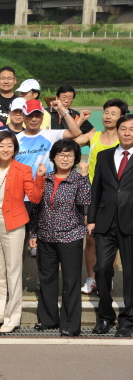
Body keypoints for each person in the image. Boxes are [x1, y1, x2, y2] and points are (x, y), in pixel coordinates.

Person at [0, 132, 45, 333]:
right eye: (1, 146)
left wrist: (40, 178)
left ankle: (13, 317)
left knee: (13, 270)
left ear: (15, 148)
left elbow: (34, 198)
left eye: (9, 145)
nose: (5, 149)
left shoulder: (23, 169)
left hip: (15, 223)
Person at [30, 140, 90, 337]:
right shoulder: (45, 177)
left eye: (70, 155)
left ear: (75, 159)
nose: (65, 158)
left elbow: (84, 202)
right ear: (54, 157)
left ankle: (70, 325)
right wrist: (34, 233)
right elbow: (37, 206)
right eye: (61, 154)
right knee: (46, 279)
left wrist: (85, 176)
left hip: (70, 236)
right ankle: (48, 320)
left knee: (71, 281)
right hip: (46, 236)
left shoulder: (78, 179)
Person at [15, 98, 83, 258]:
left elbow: (75, 132)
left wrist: (61, 109)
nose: (33, 119)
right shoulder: (15, 140)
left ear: (42, 116)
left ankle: (42, 280)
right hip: (23, 196)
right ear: (23, 116)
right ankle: (18, 276)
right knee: (22, 240)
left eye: (37, 115)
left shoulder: (51, 135)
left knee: (43, 241)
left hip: (46, 194)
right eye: (29, 115)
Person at [76, 99, 127, 294]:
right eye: (106, 112)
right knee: (90, 239)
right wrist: (79, 121)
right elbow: (69, 144)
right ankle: (91, 278)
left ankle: (107, 278)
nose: (108, 116)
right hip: (92, 194)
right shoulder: (94, 135)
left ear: (121, 117)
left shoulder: (124, 140)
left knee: (111, 238)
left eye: (113, 113)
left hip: (114, 196)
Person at [88, 114, 133, 337]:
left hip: (131, 222)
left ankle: (128, 321)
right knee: (103, 269)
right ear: (117, 131)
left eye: (131, 129)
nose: (127, 132)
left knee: (131, 274)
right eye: (123, 128)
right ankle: (106, 317)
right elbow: (96, 190)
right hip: (105, 222)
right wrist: (91, 218)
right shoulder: (105, 156)